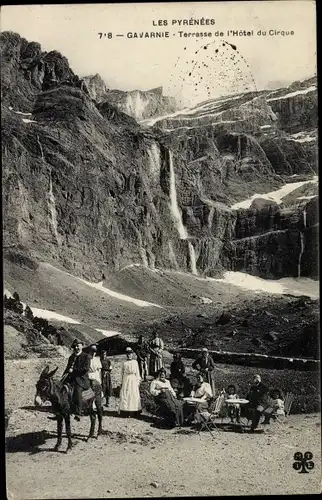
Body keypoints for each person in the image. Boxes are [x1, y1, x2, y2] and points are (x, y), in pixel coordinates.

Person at [63, 338, 91, 420]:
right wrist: (63, 376)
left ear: (82, 346)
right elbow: (67, 368)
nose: (76, 348)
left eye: (78, 346)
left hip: (81, 379)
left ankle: (78, 412)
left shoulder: (86, 356)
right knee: (61, 389)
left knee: (78, 391)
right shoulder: (72, 357)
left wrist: (74, 370)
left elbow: (85, 369)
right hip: (71, 378)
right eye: (75, 346)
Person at [119, 347, 141, 417]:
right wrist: (121, 382)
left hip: (133, 380)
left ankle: (134, 411)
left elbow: (137, 372)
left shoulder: (135, 362)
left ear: (132, 354)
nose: (129, 355)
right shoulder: (124, 363)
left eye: (130, 354)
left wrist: (138, 381)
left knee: (133, 395)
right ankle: (125, 411)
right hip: (126, 379)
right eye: (128, 354)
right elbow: (121, 373)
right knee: (126, 395)